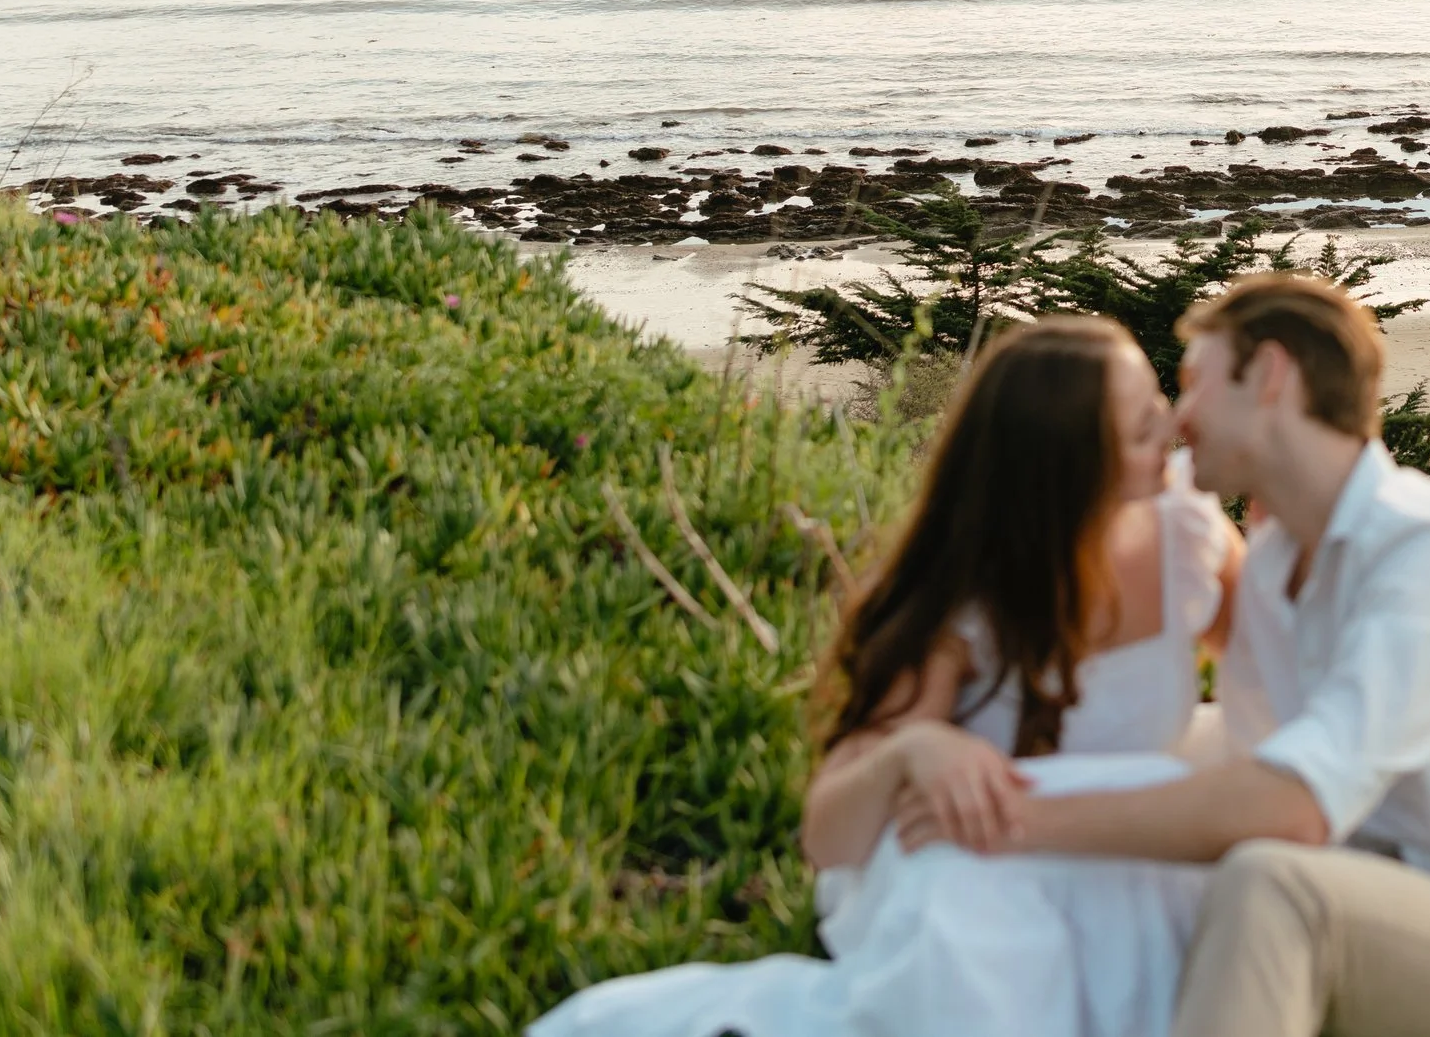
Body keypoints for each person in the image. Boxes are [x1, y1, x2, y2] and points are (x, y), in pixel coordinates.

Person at [901, 273, 1430, 1037]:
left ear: (1269, 377)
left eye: (1196, 383)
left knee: (1268, 882)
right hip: (1356, 905)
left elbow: (1294, 805)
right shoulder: (1271, 564)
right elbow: (1230, 736)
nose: (1178, 418)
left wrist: (1008, 820)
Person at [530, 315, 1244, 1037]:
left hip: (1127, 841)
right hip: (981, 867)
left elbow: (1280, 665)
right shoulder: (967, 601)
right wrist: (912, 750)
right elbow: (829, 837)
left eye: (1161, 402)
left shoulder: (1186, 532)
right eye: (1144, 423)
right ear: (1071, 465)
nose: (1174, 424)